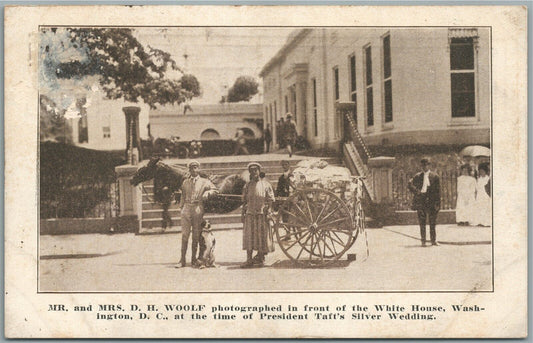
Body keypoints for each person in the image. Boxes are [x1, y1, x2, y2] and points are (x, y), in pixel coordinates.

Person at [176, 160, 218, 268]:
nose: (194, 170)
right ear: (189, 170)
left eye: (196, 167)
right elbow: (183, 195)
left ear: (198, 169)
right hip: (186, 208)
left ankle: (194, 259)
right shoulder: (185, 182)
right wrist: (181, 208)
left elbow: (215, 190)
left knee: (195, 236)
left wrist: (207, 193)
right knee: (185, 235)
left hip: (197, 208)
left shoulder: (205, 181)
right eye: (191, 168)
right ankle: (182, 260)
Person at [241, 162, 276, 268]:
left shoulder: (266, 184)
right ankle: (249, 259)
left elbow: (270, 200)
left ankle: (261, 258)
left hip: (261, 214)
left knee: (261, 237)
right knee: (249, 237)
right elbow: (244, 201)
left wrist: (269, 210)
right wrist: (243, 214)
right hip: (250, 214)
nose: (254, 172)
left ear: (259, 171)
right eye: (251, 171)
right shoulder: (247, 185)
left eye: (255, 170)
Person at [408, 158, 441, 247]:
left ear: (429, 165)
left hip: (431, 200)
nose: (424, 167)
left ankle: (433, 240)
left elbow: (438, 192)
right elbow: (410, 185)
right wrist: (417, 191)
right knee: (422, 222)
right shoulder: (417, 176)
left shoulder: (435, 176)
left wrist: (438, 204)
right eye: (423, 165)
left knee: (432, 222)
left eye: (426, 165)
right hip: (421, 200)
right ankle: (423, 241)